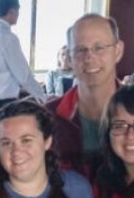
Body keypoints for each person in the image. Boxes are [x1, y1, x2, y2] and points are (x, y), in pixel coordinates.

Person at [49, 14, 127, 171]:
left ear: (118, 51)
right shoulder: (47, 117)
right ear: (69, 58)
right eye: (80, 50)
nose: (89, 58)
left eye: (99, 48)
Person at [0, 0, 46, 106]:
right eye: (18, 11)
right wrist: (43, 97)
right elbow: (23, 75)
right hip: (2, 102)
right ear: (12, 11)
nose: (18, 15)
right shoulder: (8, 38)